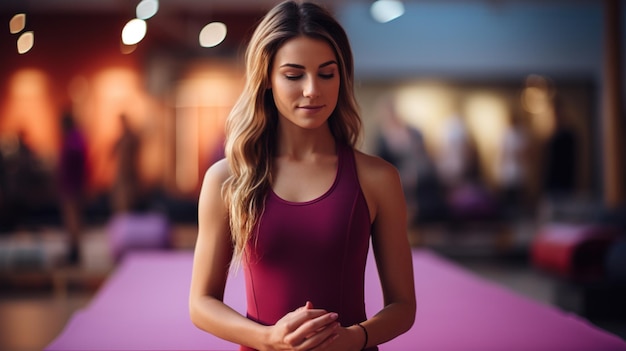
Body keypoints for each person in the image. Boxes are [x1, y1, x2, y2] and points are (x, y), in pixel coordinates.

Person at [189, 2, 416, 351]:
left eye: (327, 74)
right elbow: (201, 303)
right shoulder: (227, 179)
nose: (312, 89)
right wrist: (267, 338)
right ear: (266, 78)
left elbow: (403, 306)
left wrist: (356, 337)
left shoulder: (378, 178)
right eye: (294, 75)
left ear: (342, 77)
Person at [57, 111, 89, 264]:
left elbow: (73, 161)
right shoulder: (75, 139)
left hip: (72, 185)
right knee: (72, 220)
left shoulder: (73, 140)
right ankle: (73, 250)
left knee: (73, 219)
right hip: (72, 184)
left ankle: (74, 252)